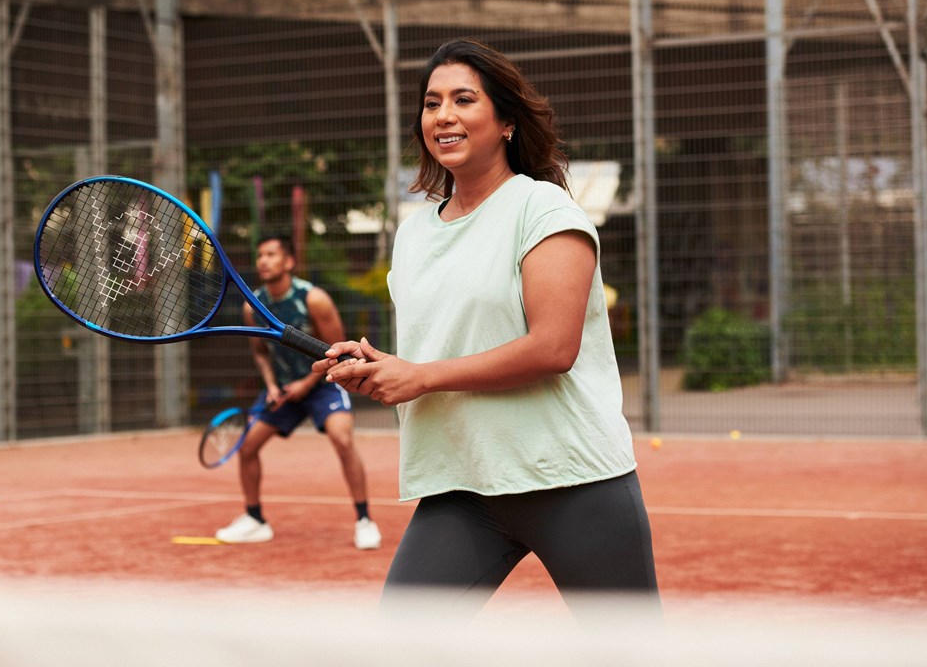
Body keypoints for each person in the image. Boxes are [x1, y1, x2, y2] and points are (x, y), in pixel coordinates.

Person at [314, 38, 659, 619]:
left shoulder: (544, 210)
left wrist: (420, 376)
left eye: (464, 99)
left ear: (504, 121)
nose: (443, 115)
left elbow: (553, 348)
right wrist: (382, 365)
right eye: (431, 102)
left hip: (569, 479)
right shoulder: (415, 232)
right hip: (463, 485)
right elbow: (450, 343)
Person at [215, 234, 382, 551]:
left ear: (289, 262)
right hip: (283, 390)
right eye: (260, 254)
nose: (263, 260)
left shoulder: (313, 299)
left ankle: (364, 520)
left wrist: (305, 385)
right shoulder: (253, 307)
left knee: (342, 439)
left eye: (271, 254)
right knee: (247, 446)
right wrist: (272, 385)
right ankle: (255, 520)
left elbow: (336, 352)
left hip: (323, 384)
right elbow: (261, 353)